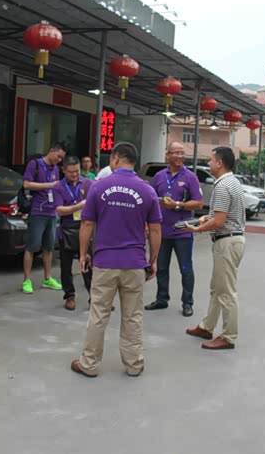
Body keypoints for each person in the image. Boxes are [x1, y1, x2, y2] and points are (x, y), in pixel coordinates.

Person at [71, 143, 162, 378]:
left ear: (115, 159)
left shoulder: (99, 186)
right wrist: (153, 260)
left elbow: (87, 223)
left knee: (98, 314)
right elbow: (155, 230)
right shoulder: (147, 190)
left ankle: (89, 364)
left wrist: (83, 253)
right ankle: (134, 364)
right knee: (133, 316)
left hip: (105, 262)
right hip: (134, 263)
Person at [184, 147, 246, 351]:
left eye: (211, 160)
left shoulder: (222, 186)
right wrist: (206, 218)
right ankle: (206, 326)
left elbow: (219, 221)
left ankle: (228, 336)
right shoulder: (232, 182)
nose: (209, 163)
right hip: (231, 240)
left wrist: (197, 228)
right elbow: (221, 215)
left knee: (226, 291)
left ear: (219, 163)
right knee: (217, 288)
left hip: (227, 241)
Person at [145, 142, 204, 317]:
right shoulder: (158, 176)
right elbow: (152, 200)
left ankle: (187, 302)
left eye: (182, 153)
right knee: (161, 267)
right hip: (162, 230)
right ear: (168, 155)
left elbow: (199, 203)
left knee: (185, 268)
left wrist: (178, 205)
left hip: (183, 230)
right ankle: (162, 299)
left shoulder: (190, 177)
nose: (179, 156)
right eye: (176, 153)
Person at [21, 143, 66, 294]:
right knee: (32, 246)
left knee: (48, 247)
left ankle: (48, 278)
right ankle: (27, 280)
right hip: (37, 211)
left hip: (51, 212)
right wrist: (49, 185)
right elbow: (26, 184)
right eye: (58, 156)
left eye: (61, 158)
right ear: (51, 151)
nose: (59, 160)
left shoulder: (55, 169)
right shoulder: (35, 164)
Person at [53, 156, 92, 311]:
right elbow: (59, 210)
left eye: (77, 171)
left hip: (86, 228)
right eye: (71, 172)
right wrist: (78, 206)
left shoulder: (88, 184)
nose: (75, 174)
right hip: (67, 229)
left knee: (88, 264)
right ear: (64, 170)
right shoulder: (58, 187)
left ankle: (94, 297)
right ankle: (69, 296)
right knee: (66, 266)